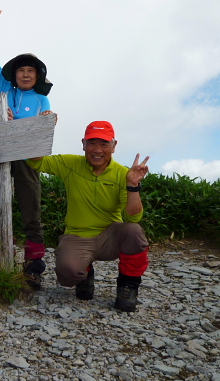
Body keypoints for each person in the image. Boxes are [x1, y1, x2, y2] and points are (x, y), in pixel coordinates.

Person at [28, 121, 150, 312]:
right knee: (67, 276)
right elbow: (36, 161)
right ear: (83, 144)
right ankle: (85, 274)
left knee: (133, 231)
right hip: (77, 236)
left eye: (104, 144)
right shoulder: (70, 164)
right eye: (92, 143)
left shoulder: (122, 173)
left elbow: (132, 219)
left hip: (109, 236)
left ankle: (128, 287)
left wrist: (133, 185)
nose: (97, 150)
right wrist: (39, 126)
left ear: (114, 146)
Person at [0, 9, 55, 290]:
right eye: (21, 70)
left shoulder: (41, 100)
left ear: (37, 76)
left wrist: (48, 120)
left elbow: (45, 125)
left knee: (31, 210)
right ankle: (2, 257)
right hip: (0, 155)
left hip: (27, 159)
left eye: (30, 71)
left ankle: (33, 264)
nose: (25, 74)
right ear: (14, 74)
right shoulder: (4, 87)